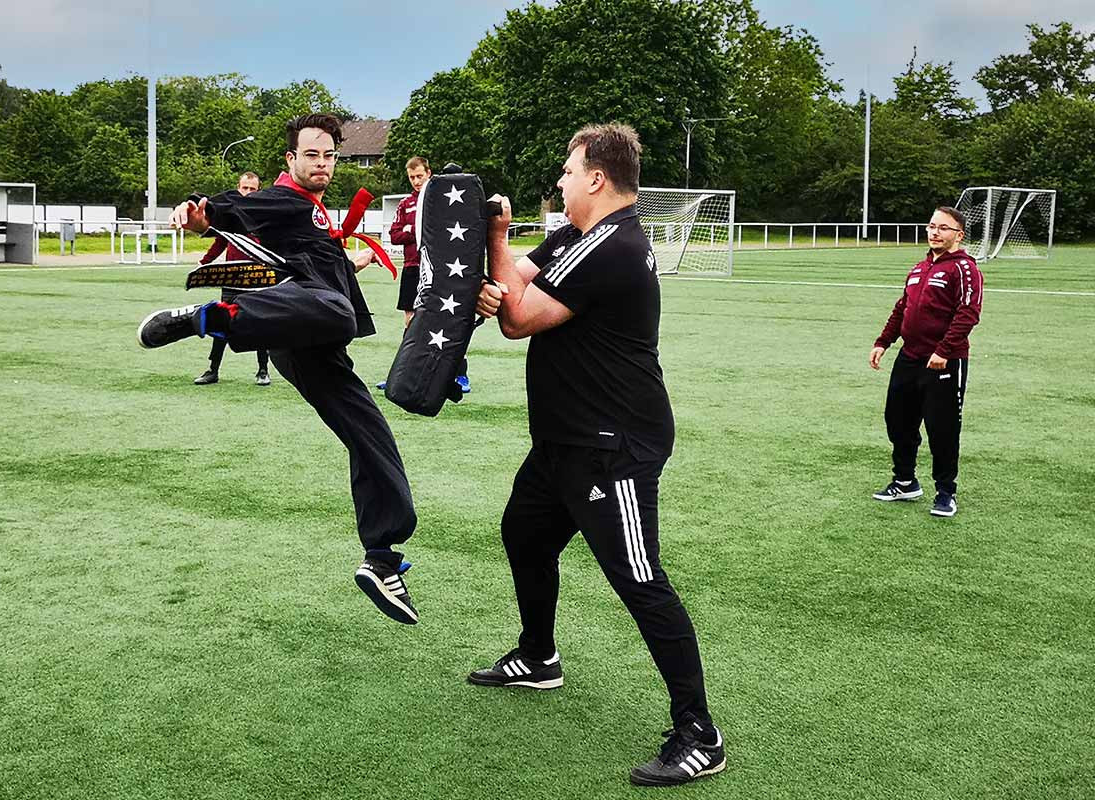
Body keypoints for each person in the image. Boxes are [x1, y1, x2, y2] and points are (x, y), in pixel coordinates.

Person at [469, 123, 725, 786]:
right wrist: (497, 274)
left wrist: (496, 247)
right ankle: (538, 655)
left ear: (596, 178)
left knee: (640, 579)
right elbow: (517, 281)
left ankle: (700, 734)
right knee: (523, 535)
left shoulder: (613, 245)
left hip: (615, 447)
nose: (559, 180)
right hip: (564, 440)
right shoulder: (574, 237)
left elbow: (520, 317)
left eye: (566, 168)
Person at [135, 113, 420, 625]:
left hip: (314, 337)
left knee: (371, 435)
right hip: (303, 317)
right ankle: (209, 318)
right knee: (334, 306)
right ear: (291, 159)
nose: (323, 164)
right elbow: (240, 207)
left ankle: (382, 558)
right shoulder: (285, 198)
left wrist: (348, 262)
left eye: (330, 155)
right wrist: (201, 213)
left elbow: (305, 257)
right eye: (312, 154)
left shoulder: (311, 210)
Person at [870, 205, 983, 518]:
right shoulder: (919, 268)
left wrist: (944, 351)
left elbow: (968, 313)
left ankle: (946, 492)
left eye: (943, 228)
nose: (935, 232)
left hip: (943, 362)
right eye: (932, 226)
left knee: (942, 428)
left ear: (958, 235)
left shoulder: (965, 268)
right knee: (898, 421)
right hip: (909, 357)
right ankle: (905, 481)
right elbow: (901, 308)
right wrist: (883, 342)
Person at [379, 156, 470, 394]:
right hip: (412, 267)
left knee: (446, 318)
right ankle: (404, 372)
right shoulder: (406, 203)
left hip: (439, 268)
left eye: (420, 176)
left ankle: (459, 374)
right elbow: (395, 234)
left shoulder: (441, 200)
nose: (416, 181)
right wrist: (414, 231)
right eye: (412, 178)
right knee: (411, 321)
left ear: (429, 173)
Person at [193, 171, 271, 387]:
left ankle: (263, 370)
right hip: (231, 278)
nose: (247, 192)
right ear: (238, 187)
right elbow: (219, 243)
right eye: (244, 188)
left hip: (257, 277)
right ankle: (213, 370)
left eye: (252, 189)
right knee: (222, 322)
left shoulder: (265, 215)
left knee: (260, 323)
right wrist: (203, 263)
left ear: (258, 190)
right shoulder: (229, 215)